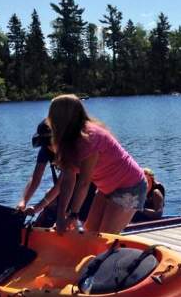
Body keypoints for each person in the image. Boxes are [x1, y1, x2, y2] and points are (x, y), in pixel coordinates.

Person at [46, 94, 147, 234]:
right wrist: (60, 216)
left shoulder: (89, 138)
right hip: (107, 188)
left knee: (105, 236)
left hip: (130, 186)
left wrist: (73, 215)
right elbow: (68, 180)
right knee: (90, 233)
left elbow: (84, 183)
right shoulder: (69, 140)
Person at [18, 119, 94, 227]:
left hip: (86, 185)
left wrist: (38, 207)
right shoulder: (45, 150)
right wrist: (23, 201)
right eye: (45, 143)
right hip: (67, 185)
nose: (48, 147)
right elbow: (36, 178)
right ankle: (41, 227)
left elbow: (59, 186)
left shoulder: (69, 150)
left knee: (80, 219)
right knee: (50, 199)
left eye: (50, 143)